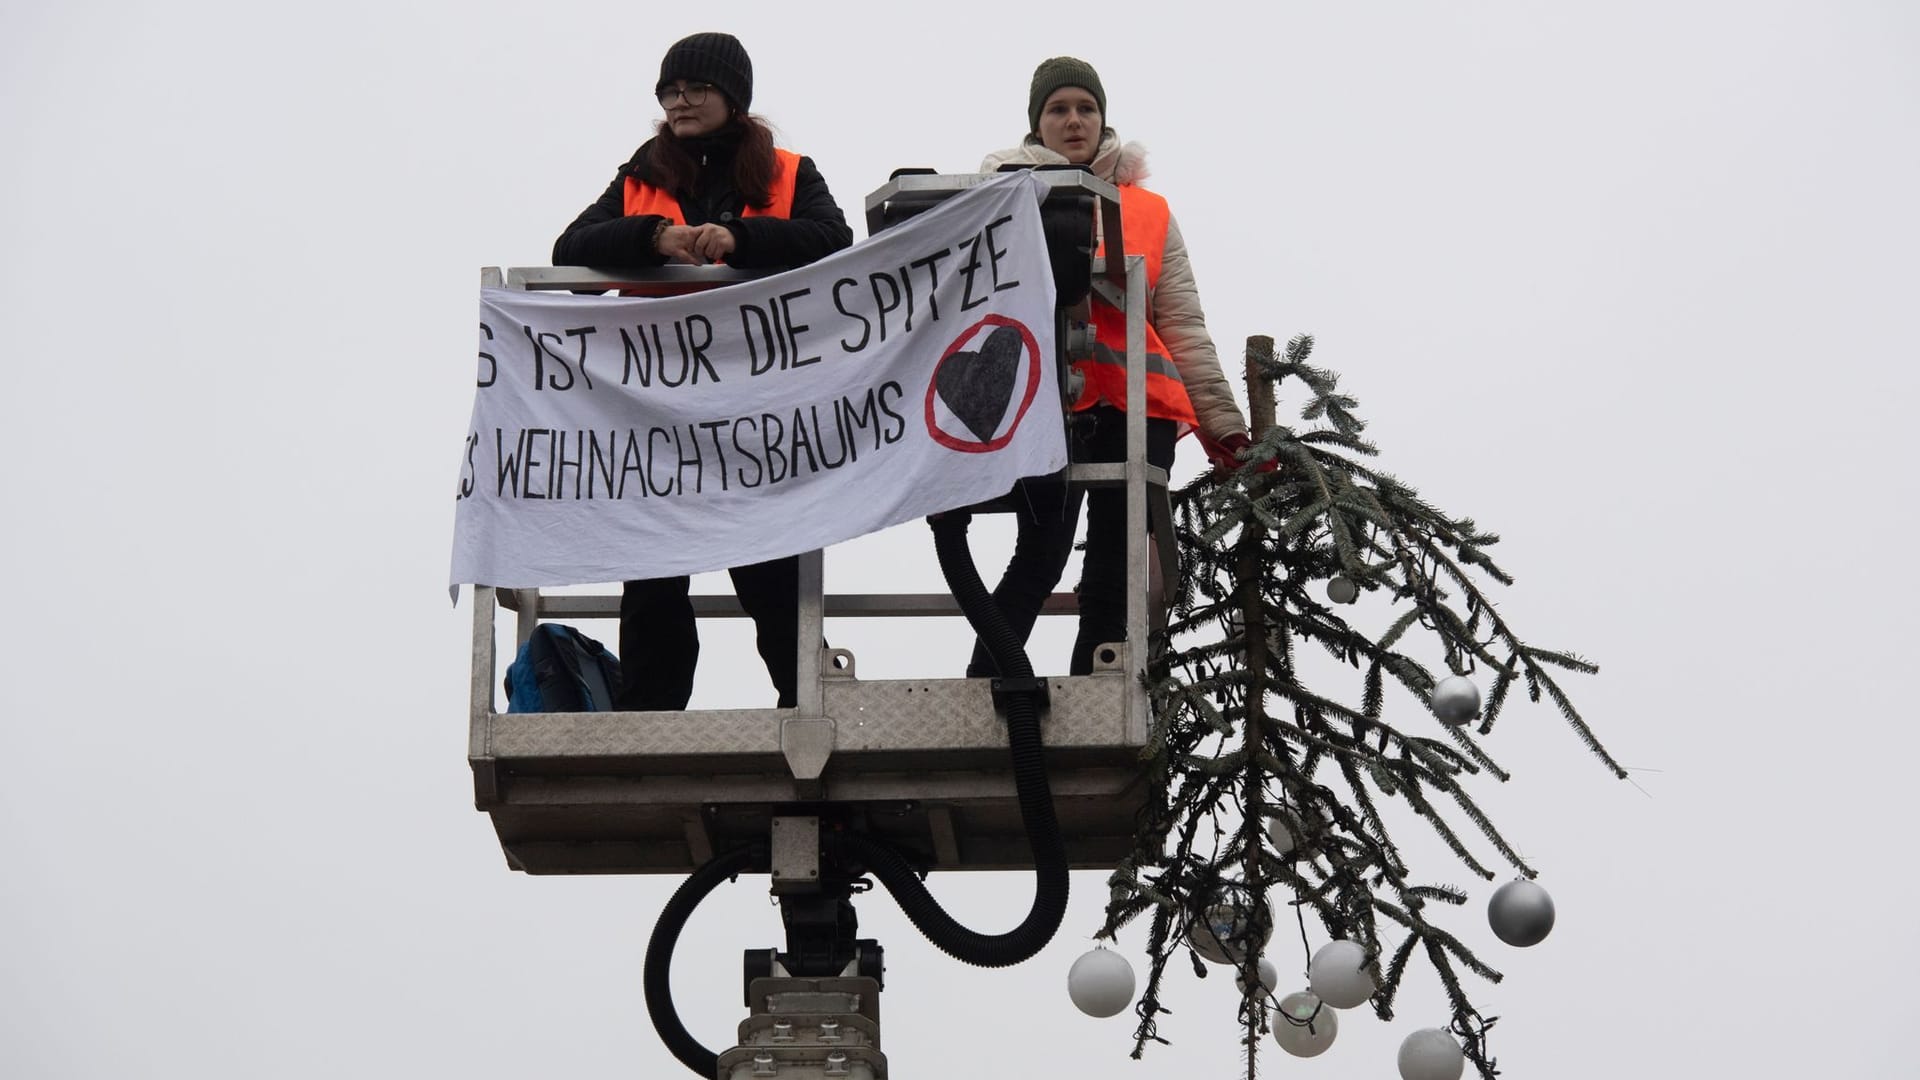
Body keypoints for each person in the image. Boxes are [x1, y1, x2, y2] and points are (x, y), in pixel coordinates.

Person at [552, 31, 853, 710]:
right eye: (670, 92)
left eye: (695, 89)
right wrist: (651, 239)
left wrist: (742, 240)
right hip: (658, 410)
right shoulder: (639, 176)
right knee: (654, 570)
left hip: (760, 409)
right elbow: (570, 252)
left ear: (732, 98)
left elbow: (833, 242)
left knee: (771, 566)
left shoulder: (788, 170)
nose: (679, 102)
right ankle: (650, 713)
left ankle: (804, 702)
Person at [970, 56, 1254, 677]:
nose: (1075, 121)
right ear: (1036, 125)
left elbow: (1182, 324)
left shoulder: (1148, 209)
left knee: (1118, 561)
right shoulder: (996, 196)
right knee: (1039, 552)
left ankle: (1097, 684)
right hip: (1045, 400)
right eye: (1059, 109)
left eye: (1086, 108)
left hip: (1139, 401)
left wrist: (1223, 428)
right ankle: (985, 687)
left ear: (1103, 119)